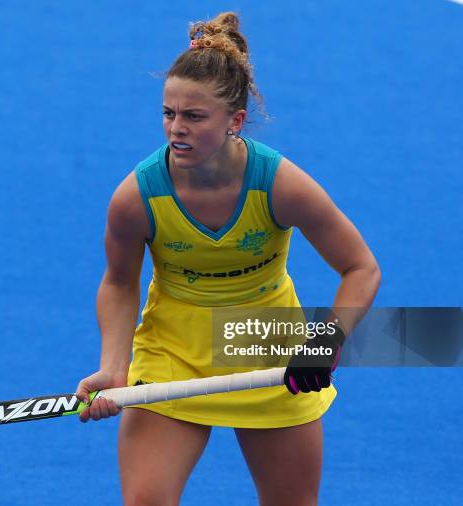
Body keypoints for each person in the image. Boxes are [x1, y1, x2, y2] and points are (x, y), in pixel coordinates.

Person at [75, 12, 380, 506]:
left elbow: (361, 268)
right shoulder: (137, 198)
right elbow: (118, 283)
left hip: (265, 347)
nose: (177, 129)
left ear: (235, 121)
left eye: (194, 117)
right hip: (172, 352)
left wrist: (326, 341)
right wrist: (114, 367)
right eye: (169, 113)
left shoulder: (281, 185)